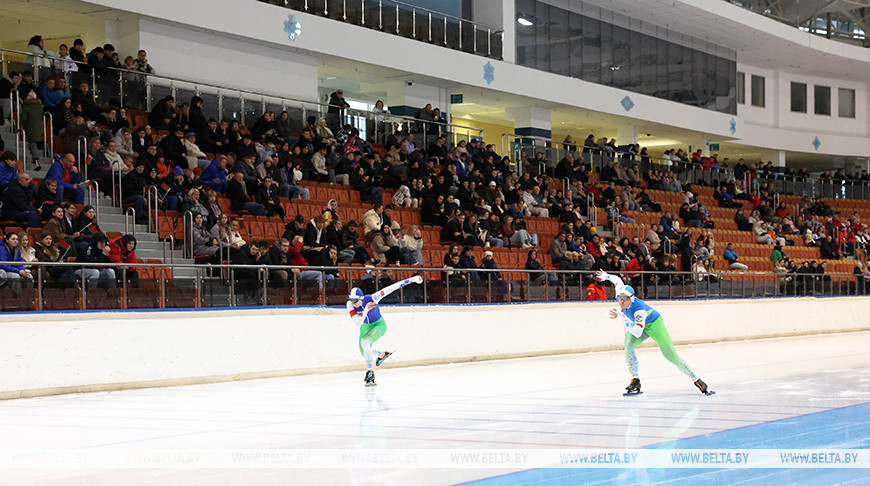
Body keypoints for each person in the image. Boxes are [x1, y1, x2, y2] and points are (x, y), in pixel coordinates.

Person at [594, 269, 712, 396]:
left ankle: (697, 380)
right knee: (628, 346)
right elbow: (617, 280)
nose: (621, 301)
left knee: (671, 356)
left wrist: (621, 318)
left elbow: (638, 332)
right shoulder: (621, 292)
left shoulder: (639, 310)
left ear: (632, 299)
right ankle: (635, 380)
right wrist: (605, 276)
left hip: (654, 324)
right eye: (619, 298)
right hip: (640, 325)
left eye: (624, 298)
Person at [347, 275, 424, 386]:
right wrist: (365, 311)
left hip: (379, 325)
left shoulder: (373, 298)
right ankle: (382, 354)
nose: (353, 303)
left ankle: (370, 372)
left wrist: (413, 279)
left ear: (361, 298)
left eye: (355, 301)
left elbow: (393, 287)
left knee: (365, 342)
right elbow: (357, 323)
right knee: (364, 352)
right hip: (365, 325)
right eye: (351, 300)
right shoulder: (350, 304)